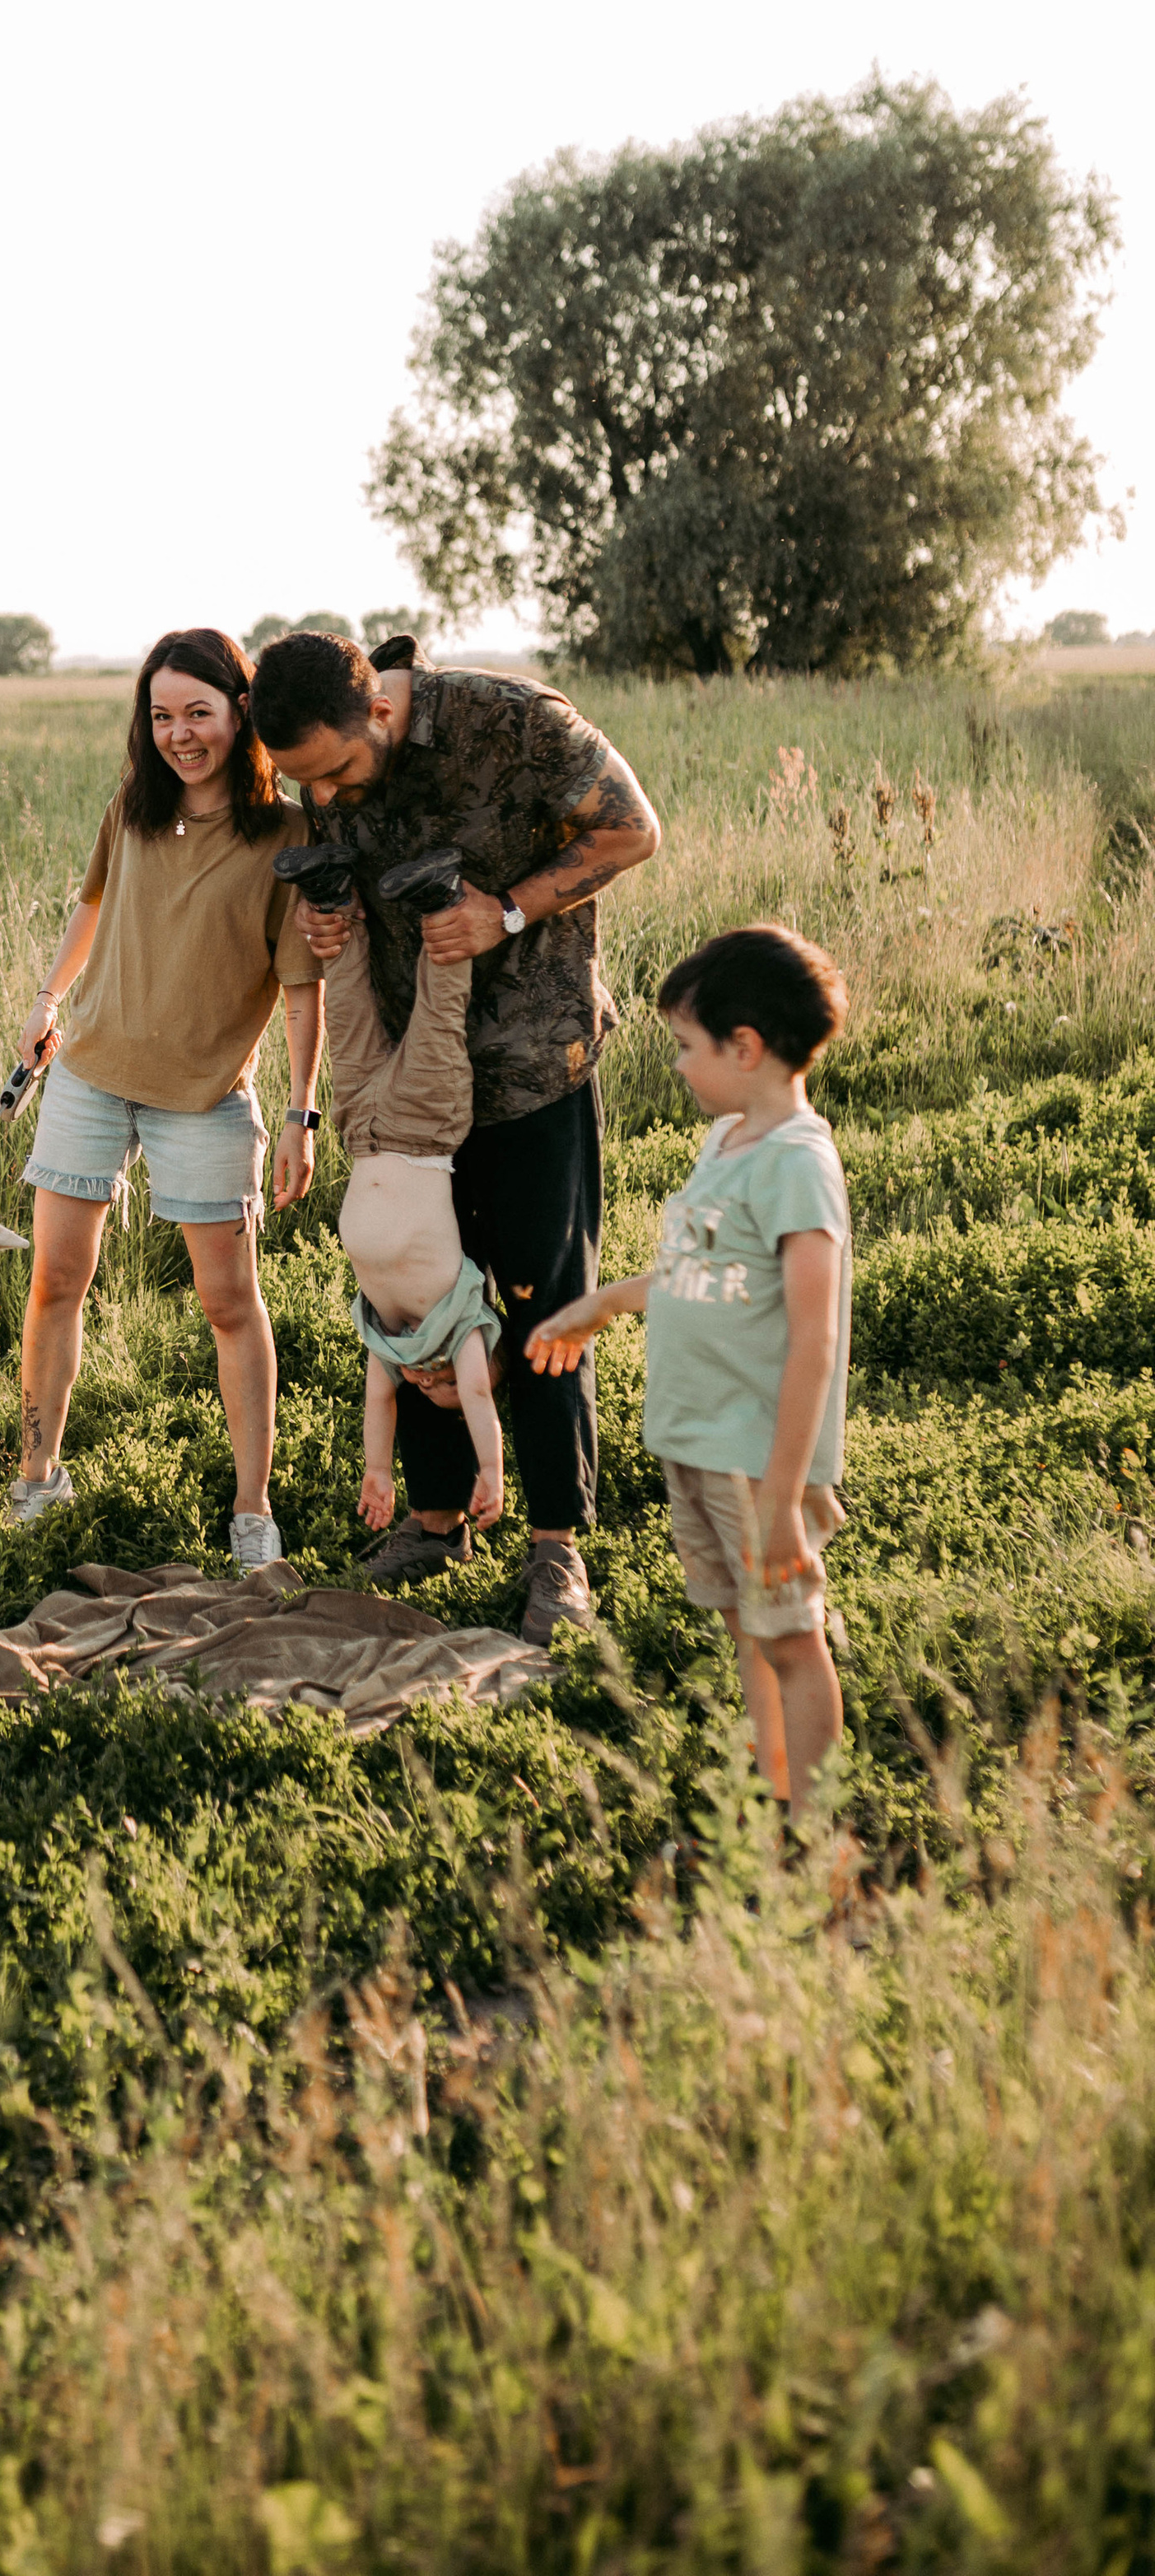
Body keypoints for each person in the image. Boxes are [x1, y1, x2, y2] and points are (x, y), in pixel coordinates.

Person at [249, 629, 660, 1640]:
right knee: (418, 1298)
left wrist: (509, 913)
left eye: (338, 772)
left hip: (528, 1061)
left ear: (379, 713)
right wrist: (329, 935)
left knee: (541, 1305)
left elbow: (631, 832)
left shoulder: (511, 721)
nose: (330, 799)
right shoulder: (323, 768)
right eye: (310, 787)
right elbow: (341, 868)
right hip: (409, 1079)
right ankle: (434, 1521)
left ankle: (555, 1546)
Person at [12, 628, 326, 1569]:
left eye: (198, 712)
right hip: (90, 1077)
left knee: (230, 1300)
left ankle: (252, 1508)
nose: (179, 734)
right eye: (161, 716)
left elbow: (304, 989)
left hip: (206, 1096)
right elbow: (93, 902)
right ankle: (37, 1478)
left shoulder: (287, 837)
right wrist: (47, 998)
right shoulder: (134, 808)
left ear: (241, 712)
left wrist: (302, 1116)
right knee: (54, 1283)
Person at [526, 927, 852, 1816]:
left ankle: (812, 1826)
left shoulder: (795, 1165)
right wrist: (604, 1302)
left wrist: (784, 1500)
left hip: (758, 1460)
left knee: (788, 1638)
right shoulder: (728, 1141)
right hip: (702, 1442)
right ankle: (769, 1796)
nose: (677, 1066)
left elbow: (814, 1339)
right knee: (747, 1630)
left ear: (743, 1048)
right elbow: (703, 1267)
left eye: (685, 1046)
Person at [272, 842, 505, 1556]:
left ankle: (333, 895)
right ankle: (440, 897)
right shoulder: (462, 1324)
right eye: (443, 1386)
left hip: (364, 1132)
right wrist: (490, 1472)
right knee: (441, 1015)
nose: (429, 1384)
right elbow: (476, 1397)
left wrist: (379, 1471)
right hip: (428, 1130)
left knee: (348, 1013)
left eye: (428, 1391)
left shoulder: (391, 1339)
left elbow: (379, 1400)